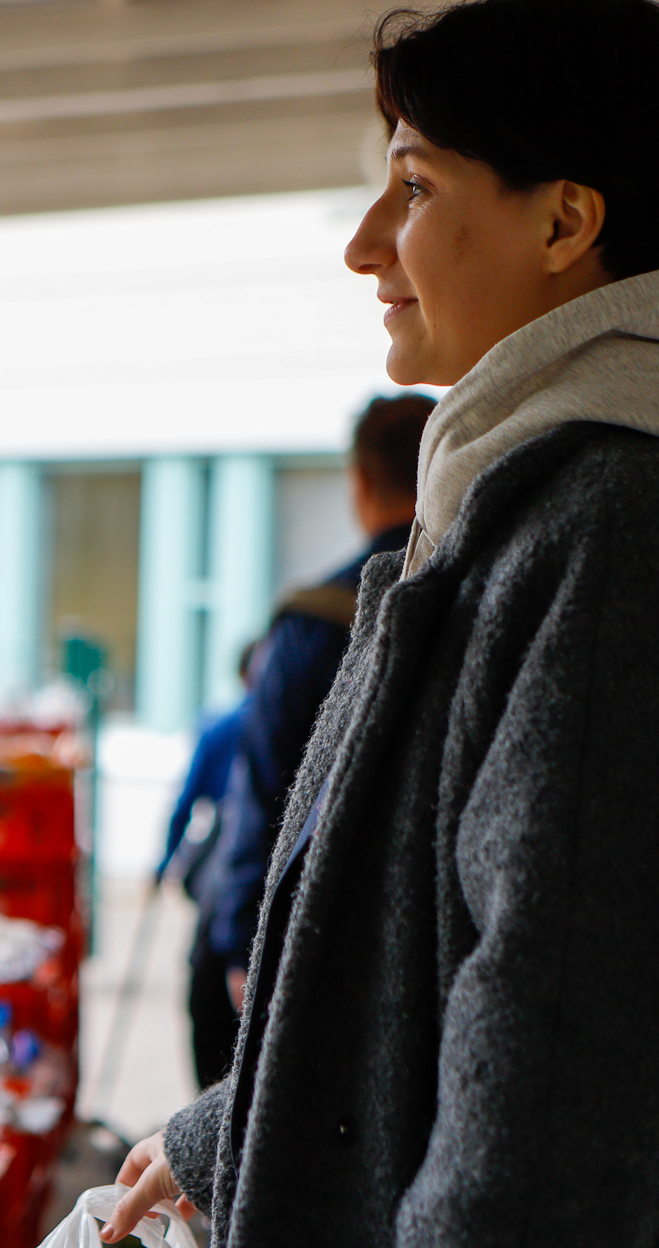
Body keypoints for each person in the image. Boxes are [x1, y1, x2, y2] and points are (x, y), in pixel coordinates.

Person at [103, 3, 659, 1248]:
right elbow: (443, 962)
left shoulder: (628, 533)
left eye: (413, 186)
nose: (365, 245)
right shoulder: (544, 503)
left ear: (565, 220)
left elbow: (558, 1088)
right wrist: (233, 1134)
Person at [199, 394, 433, 1033]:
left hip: (312, 930)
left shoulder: (312, 620)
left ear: (359, 484)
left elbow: (262, 786)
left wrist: (240, 942)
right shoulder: (485, 592)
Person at [153, 644, 253, 1089]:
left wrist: (166, 864)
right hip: (242, 866)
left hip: (227, 872)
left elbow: (184, 805)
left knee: (208, 989)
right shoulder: (279, 722)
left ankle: (209, 1100)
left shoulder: (223, 726)